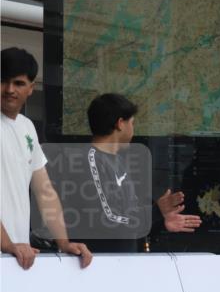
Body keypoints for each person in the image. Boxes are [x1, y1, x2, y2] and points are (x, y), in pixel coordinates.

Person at [57, 93, 201, 253]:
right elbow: (109, 219)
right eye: (132, 123)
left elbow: (129, 218)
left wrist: (161, 220)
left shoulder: (117, 161)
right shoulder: (89, 162)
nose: (134, 129)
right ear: (120, 124)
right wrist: (156, 212)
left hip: (125, 262)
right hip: (101, 266)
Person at [0, 47, 92, 270]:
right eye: (3, 81)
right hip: (12, 250)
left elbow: (44, 190)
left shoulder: (27, 127)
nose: (10, 89)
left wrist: (63, 242)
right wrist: (7, 244)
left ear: (31, 88)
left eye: (19, 83)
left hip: (17, 258)